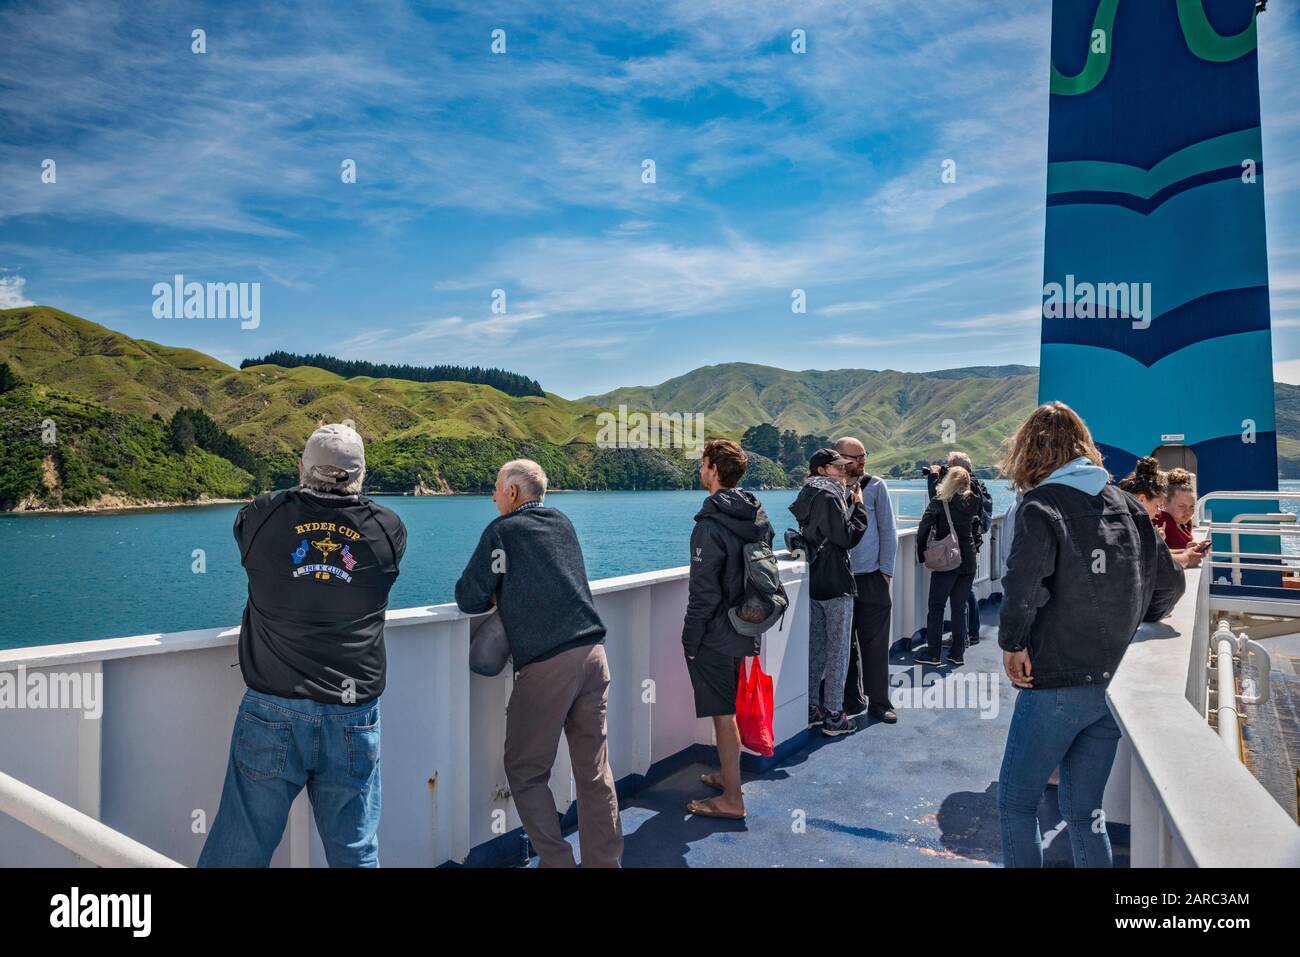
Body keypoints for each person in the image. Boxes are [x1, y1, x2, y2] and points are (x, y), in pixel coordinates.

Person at [200, 423, 407, 867]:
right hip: (353, 714)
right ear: (361, 475)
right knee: (355, 851)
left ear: (302, 468)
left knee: (239, 847)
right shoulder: (388, 529)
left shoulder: (262, 516)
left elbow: (247, 528)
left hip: (273, 707)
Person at [996, 402, 1185, 868]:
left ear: (1029, 451)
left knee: (1016, 804)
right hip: (1113, 687)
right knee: (1086, 813)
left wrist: (1013, 643)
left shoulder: (1041, 504)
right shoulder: (1126, 504)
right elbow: (1170, 584)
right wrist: (1140, 618)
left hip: (1056, 683)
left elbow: (1023, 584)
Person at [454, 459, 623, 868]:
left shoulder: (502, 531)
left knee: (526, 771)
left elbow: (467, 596)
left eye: (496, 489)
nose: (493, 497)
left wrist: (500, 594)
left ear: (513, 493)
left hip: (548, 664)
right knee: (594, 770)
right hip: (593, 656)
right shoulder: (561, 522)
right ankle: (604, 863)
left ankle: (558, 861)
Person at [681, 439, 773, 820]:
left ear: (715, 470)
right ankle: (727, 776)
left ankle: (732, 799)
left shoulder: (710, 526)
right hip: (745, 625)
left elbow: (703, 592)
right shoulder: (756, 515)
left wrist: (690, 638)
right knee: (729, 708)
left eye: (703, 465)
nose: (700, 471)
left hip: (717, 633)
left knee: (723, 714)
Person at [789, 448, 868, 737]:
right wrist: (859, 507)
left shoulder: (808, 494)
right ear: (822, 470)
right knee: (838, 652)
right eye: (838, 468)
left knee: (818, 648)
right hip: (836, 583)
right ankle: (834, 715)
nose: (844, 471)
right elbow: (846, 537)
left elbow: (823, 531)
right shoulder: (828, 496)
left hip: (815, 581)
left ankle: (811, 708)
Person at [835, 436, 898, 723]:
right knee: (843, 646)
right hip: (840, 580)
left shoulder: (875, 487)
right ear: (839, 459)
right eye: (856, 457)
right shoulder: (829, 490)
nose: (862, 461)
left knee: (875, 645)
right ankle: (851, 699)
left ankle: (880, 702)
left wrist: (885, 572)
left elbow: (889, 531)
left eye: (864, 456)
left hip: (872, 578)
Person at [914, 466, 982, 666]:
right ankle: (957, 654)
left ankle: (933, 654)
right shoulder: (973, 501)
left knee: (936, 607)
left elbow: (924, 527)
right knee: (959, 607)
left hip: (947, 559)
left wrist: (921, 553)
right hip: (968, 559)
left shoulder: (940, 502)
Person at [926, 451, 992, 643]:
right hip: (971, 544)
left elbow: (936, 502)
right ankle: (970, 634)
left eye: (949, 465)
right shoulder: (978, 486)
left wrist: (933, 478)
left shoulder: (962, 487)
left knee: (952, 600)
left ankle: (960, 639)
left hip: (955, 546)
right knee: (965, 593)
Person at [1118, 458, 1207, 569]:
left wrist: (1186, 552)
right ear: (1141, 500)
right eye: (1157, 506)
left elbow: (1151, 553)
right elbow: (1149, 559)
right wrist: (1187, 558)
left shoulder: (1126, 522)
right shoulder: (1128, 528)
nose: (1158, 512)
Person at [1156, 467, 1197, 550]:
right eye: (1182, 506)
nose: (1188, 512)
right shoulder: (1159, 520)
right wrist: (1186, 552)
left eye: (1191, 506)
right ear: (1165, 502)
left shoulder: (1185, 523)